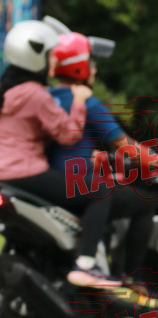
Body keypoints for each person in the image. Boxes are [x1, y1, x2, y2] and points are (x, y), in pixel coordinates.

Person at [0, 19, 120, 288]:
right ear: (35, 58)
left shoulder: (6, 92)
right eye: (50, 56)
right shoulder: (36, 95)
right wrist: (79, 100)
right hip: (28, 174)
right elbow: (68, 134)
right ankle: (86, 264)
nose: (54, 61)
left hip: (4, 177)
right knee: (100, 190)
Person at [48, 31, 158, 292]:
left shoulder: (45, 98)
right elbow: (127, 147)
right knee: (145, 203)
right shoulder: (89, 103)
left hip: (50, 183)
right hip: (79, 185)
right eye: (91, 63)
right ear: (79, 67)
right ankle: (133, 277)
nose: (94, 69)